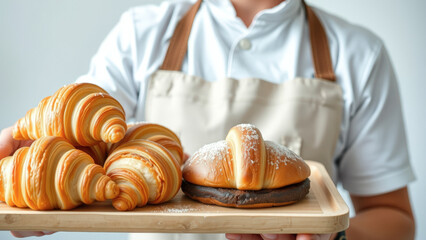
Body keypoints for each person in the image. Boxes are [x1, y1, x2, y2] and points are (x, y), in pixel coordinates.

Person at [0, 0, 416, 239]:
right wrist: (31, 188)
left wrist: (337, 237)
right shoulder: (142, 35)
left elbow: (393, 215)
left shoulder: (360, 55)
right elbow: (77, 140)